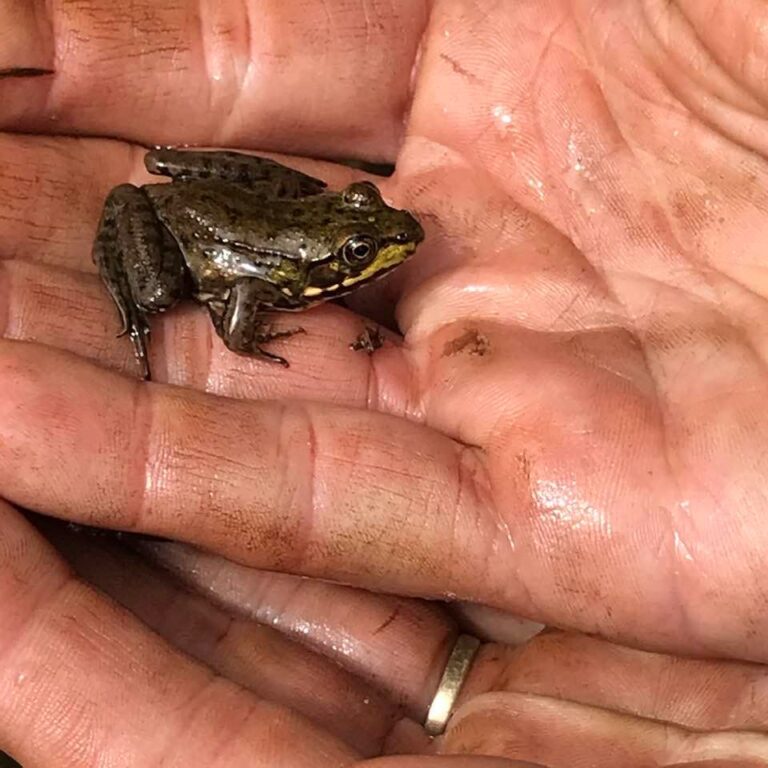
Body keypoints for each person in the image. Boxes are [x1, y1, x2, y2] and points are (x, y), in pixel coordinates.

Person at [0, 1, 765, 765]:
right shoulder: (285, 278)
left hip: (240, 216)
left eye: (364, 226)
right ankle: (137, 304)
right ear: (334, 264)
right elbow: (237, 314)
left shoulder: (341, 245)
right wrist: (251, 339)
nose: (393, 243)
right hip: (187, 228)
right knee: (162, 293)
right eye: (364, 246)